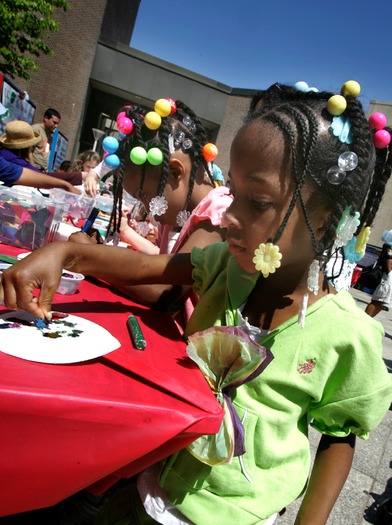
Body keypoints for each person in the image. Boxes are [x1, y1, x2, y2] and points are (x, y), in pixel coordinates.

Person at [2, 81, 392, 525]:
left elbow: (340, 435)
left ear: (328, 219)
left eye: (258, 201)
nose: (228, 215)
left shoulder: (347, 334)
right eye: (236, 193)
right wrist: (66, 252)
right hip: (144, 481)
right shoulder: (228, 267)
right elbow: (154, 268)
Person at [76, 98, 232, 329]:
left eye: (144, 195)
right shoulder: (178, 214)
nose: (147, 208)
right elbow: (155, 266)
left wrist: (87, 257)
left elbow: (163, 291)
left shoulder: (218, 212)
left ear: (176, 171)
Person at [0, 120, 85, 186]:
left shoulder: (5, 154)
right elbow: (42, 177)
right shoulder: (13, 160)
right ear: (26, 147)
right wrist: (79, 176)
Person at [365, 242, 392, 317]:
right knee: (377, 301)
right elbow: (389, 259)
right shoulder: (390, 246)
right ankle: (365, 318)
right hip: (388, 277)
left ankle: (369, 319)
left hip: (389, 277)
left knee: (382, 303)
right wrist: (389, 273)